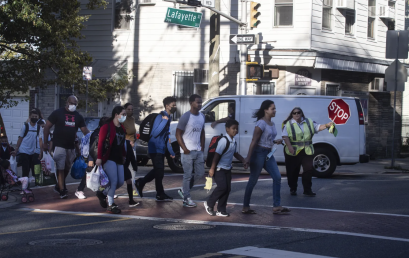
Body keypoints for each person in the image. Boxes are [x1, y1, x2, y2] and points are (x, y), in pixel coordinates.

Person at [242, 100, 290, 215]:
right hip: (258, 153)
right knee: (253, 180)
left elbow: (267, 139)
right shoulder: (261, 123)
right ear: (266, 110)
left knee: (277, 177)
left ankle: (277, 206)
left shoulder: (272, 124)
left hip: (268, 153)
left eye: (275, 108)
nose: (275, 111)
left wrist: (275, 141)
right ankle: (245, 206)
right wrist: (248, 158)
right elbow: (254, 141)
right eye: (272, 108)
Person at [43, 95, 90, 199]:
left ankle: (59, 185)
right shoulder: (58, 113)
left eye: (75, 104)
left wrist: (94, 136)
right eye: (72, 103)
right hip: (59, 145)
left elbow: (85, 130)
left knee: (67, 168)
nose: (73, 105)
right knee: (60, 167)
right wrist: (45, 143)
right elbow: (47, 126)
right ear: (67, 102)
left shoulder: (78, 116)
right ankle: (62, 190)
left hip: (71, 146)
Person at [282, 107, 333, 197]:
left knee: (308, 170)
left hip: (307, 150)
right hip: (293, 151)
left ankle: (307, 190)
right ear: (292, 114)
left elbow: (318, 127)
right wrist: (290, 147)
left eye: (298, 112)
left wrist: (327, 125)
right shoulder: (288, 124)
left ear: (302, 113)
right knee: (293, 171)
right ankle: (293, 188)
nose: (296, 114)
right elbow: (285, 136)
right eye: (294, 113)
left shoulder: (309, 121)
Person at [134, 97, 177, 201]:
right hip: (154, 148)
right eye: (173, 105)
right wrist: (163, 122)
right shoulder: (160, 117)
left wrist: (171, 151)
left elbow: (167, 136)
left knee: (159, 172)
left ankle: (155, 191)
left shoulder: (168, 117)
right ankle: (148, 186)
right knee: (159, 171)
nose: (175, 107)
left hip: (161, 148)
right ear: (167, 106)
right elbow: (155, 133)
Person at [204, 119, 247, 217]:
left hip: (227, 169)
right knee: (222, 187)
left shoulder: (233, 141)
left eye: (236, 129)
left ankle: (221, 210)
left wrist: (244, 161)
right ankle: (209, 204)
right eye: (233, 129)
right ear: (227, 129)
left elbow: (235, 153)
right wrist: (212, 169)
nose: (235, 130)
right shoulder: (224, 140)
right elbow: (216, 155)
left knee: (227, 189)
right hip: (219, 169)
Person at [95, 106, 127, 214]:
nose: (124, 116)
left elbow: (122, 143)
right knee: (113, 181)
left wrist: (124, 155)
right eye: (123, 114)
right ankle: (110, 204)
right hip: (109, 157)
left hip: (118, 157)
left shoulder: (122, 128)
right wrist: (99, 158)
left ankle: (103, 194)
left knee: (120, 181)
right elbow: (101, 143)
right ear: (116, 115)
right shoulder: (106, 127)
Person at [176, 94, 205, 208]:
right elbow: (177, 134)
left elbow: (202, 132)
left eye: (201, 102)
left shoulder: (202, 116)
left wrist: (202, 147)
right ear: (191, 103)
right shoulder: (186, 116)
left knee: (200, 173)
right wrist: (184, 148)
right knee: (187, 175)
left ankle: (184, 190)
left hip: (198, 150)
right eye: (198, 102)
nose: (200, 104)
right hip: (187, 151)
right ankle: (186, 198)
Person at [75, 117, 108, 200]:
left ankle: (104, 191)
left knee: (104, 175)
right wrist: (91, 159)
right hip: (95, 157)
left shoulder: (107, 132)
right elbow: (92, 147)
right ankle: (79, 190)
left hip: (104, 157)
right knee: (89, 173)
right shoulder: (96, 133)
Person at [15, 109, 40, 180]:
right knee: (25, 169)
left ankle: (36, 183)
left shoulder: (39, 128)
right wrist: (16, 149)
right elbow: (20, 138)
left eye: (36, 116)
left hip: (34, 151)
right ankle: (24, 184)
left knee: (35, 168)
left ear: (38, 117)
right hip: (24, 150)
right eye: (33, 116)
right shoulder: (25, 126)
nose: (34, 118)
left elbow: (40, 140)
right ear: (30, 117)